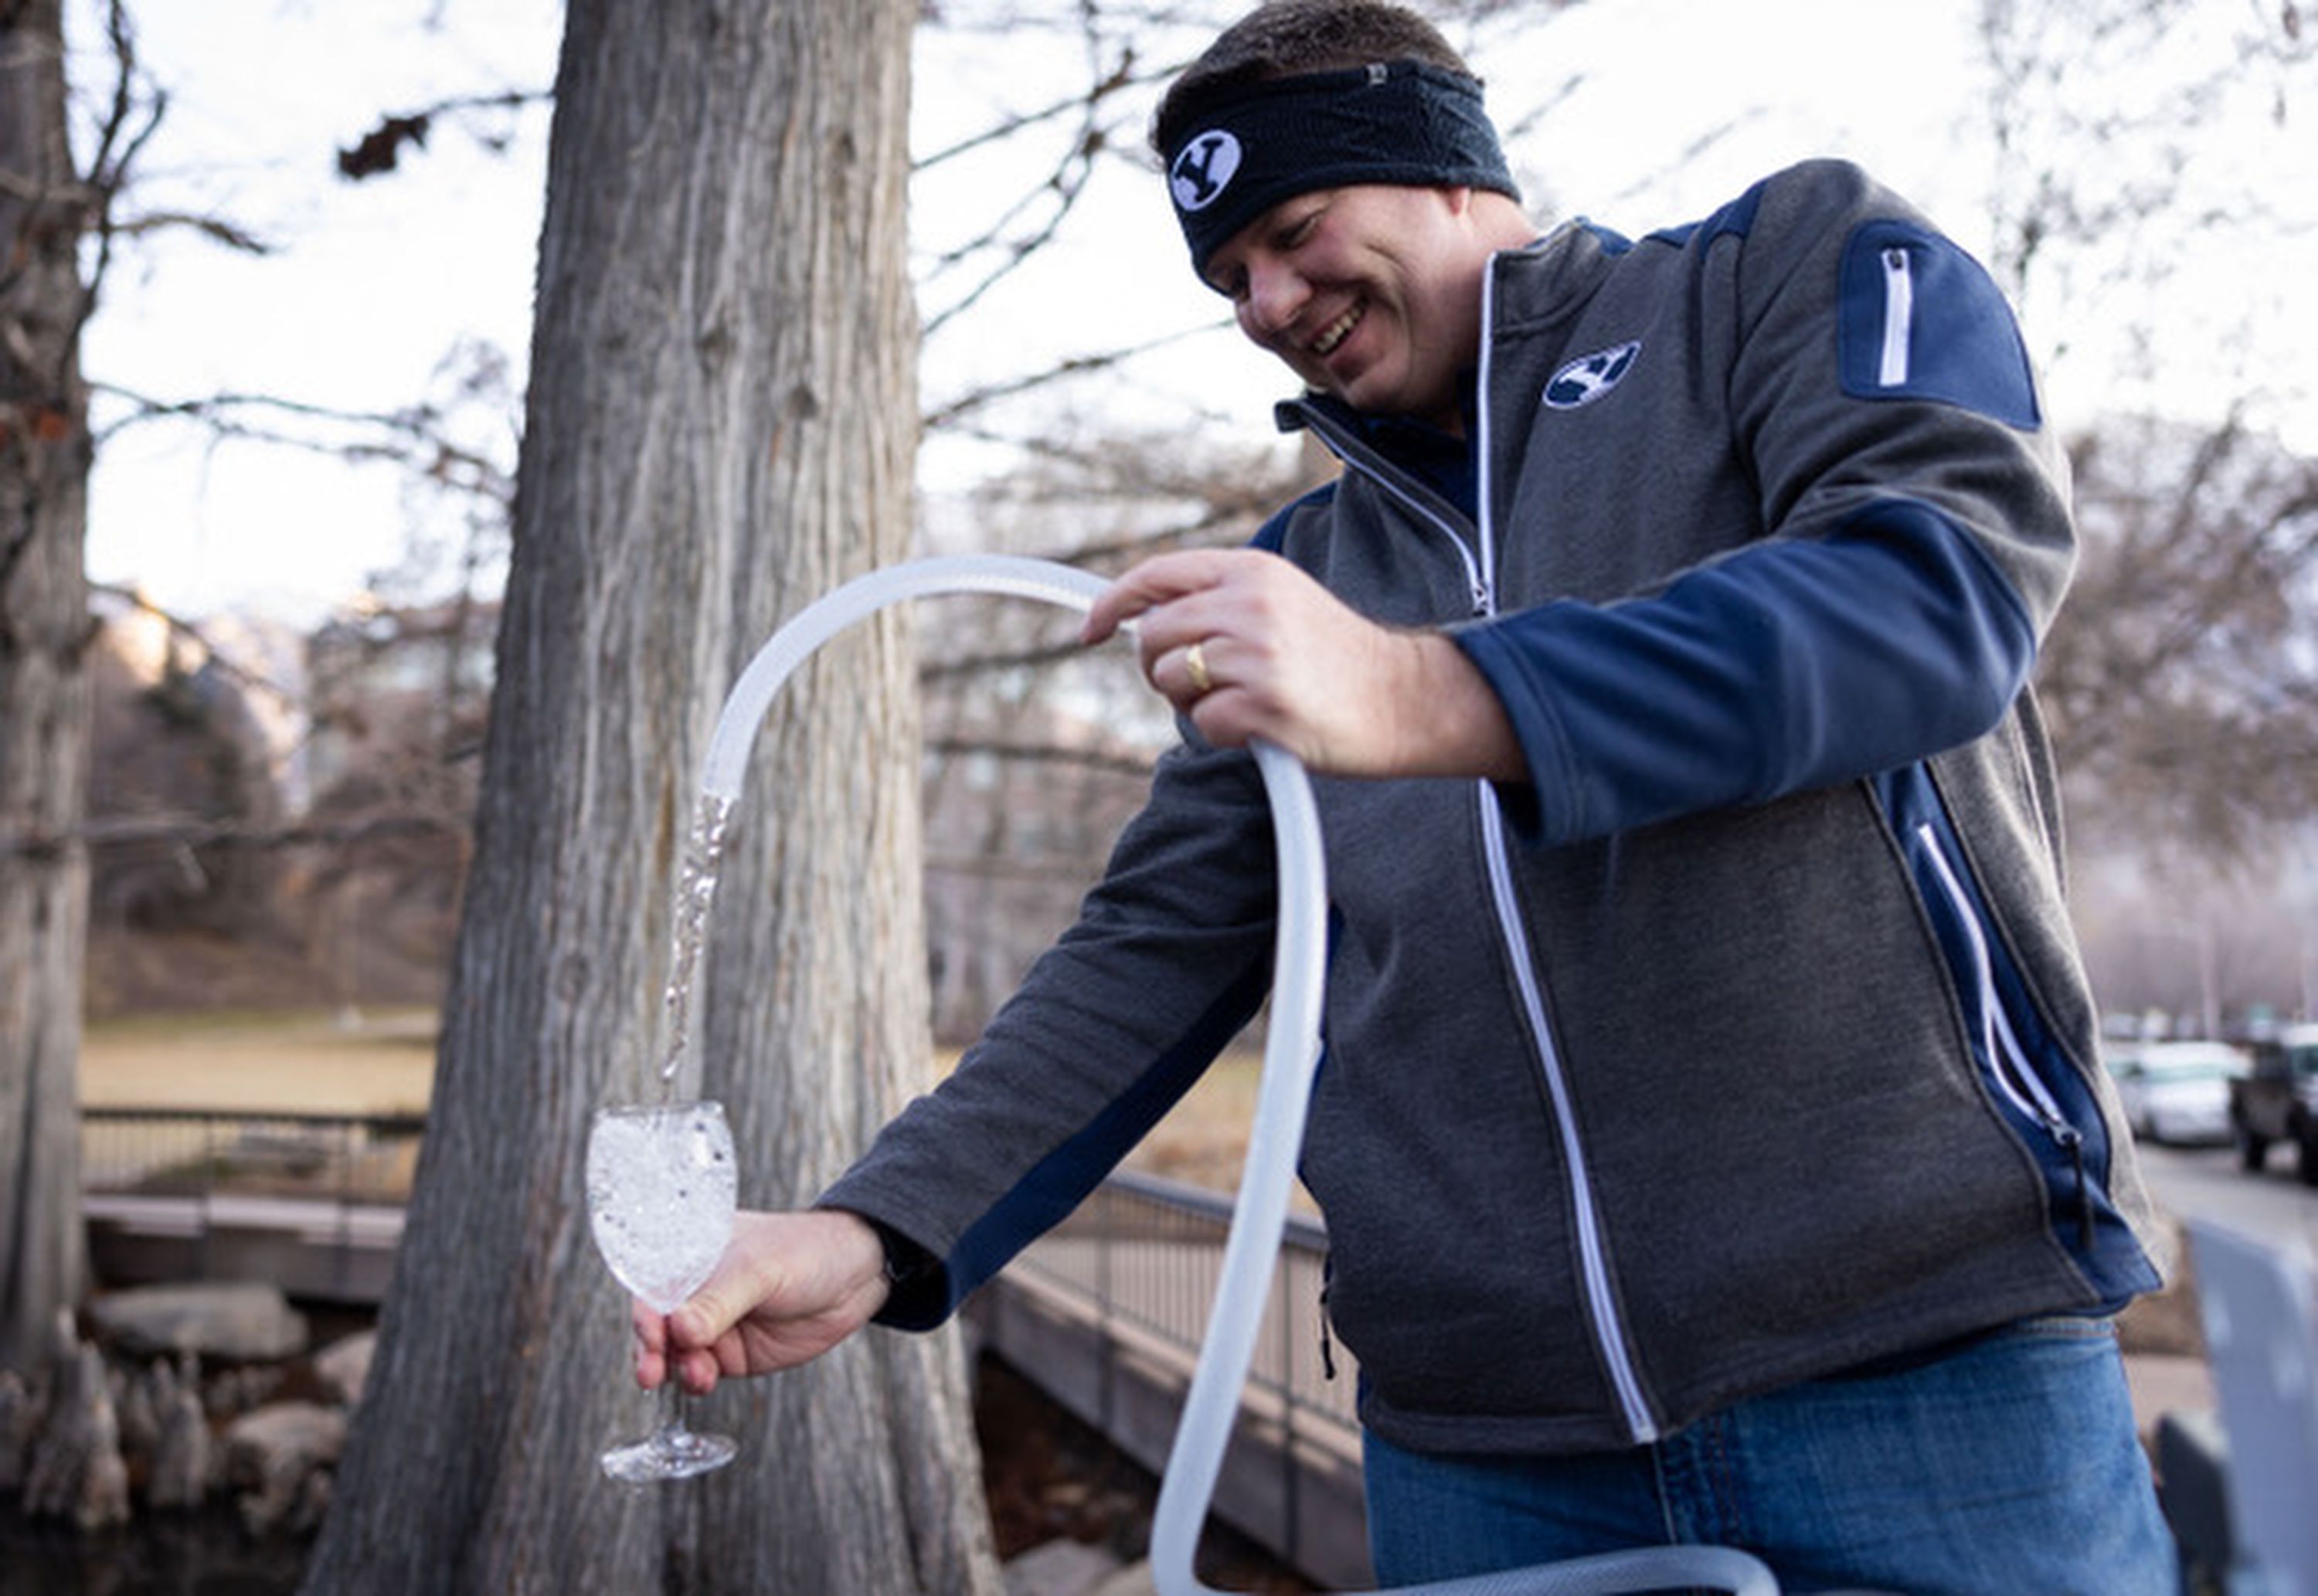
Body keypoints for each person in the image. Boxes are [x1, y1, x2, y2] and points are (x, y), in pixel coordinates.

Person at [636, 4, 2180, 1590]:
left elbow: (1933, 595)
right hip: (1484, 1448)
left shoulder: (1779, 273)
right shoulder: (1307, 570)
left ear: (1443, 166)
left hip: (1925, 1373)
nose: (1266, 303)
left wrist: (1426, 693)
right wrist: (875, 1233)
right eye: (1229, 276)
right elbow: (1150, 948)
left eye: (1297, 235)